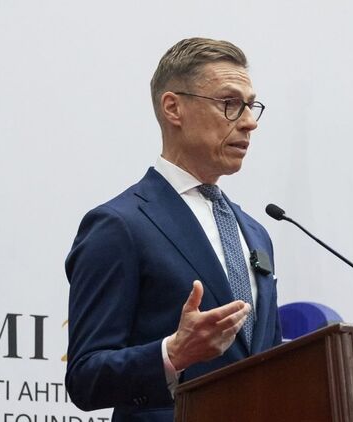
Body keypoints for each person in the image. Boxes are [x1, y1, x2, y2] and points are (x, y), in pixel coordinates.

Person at [65, 37, 282, 422]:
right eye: (230, 103)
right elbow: (86, 378)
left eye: (251, 106)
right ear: (173, 108)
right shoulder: (120, 225)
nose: (249, 122)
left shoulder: (255, 232)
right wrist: (172, 354)